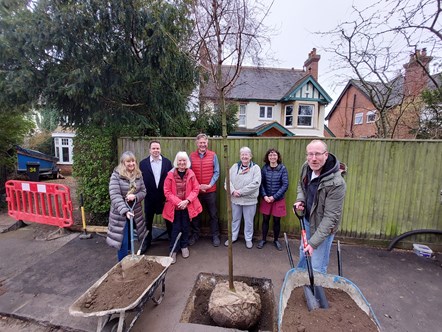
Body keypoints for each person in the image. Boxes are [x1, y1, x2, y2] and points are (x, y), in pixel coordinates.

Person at [293, 139, 346, 273]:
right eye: (310, 154)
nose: (313, 158)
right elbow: (301, 185)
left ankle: (316, 290)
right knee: (303, 251)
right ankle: (299, 281)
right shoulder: (306, 167)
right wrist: (301, 200)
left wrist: (313, 243)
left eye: (318, 154)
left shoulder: (337, 182)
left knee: (317, 264)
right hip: (306, 220)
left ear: (326, 155)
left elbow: (330, 217)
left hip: (323, 227)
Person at [106, 151, 147, 262]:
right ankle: (122, 264)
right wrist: (125, 211)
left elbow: (143, 191)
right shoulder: (116, 175)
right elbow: (114, 194)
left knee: (131, 239)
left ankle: (130, 257)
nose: (131, 164)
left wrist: (135, 196)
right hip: (120, 213)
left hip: (135, 211)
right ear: (123, 163)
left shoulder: (138, 175)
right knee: (122, 241)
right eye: (128, 161)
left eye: (133, 161)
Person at [163, 151, 202, 264]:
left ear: (187, 162)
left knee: (185, 227)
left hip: (187, 206)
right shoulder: (170, 175)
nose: (182, 162)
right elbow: (167, 191)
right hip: (174, 208)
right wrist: (178, 202)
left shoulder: (191, 174)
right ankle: (173, 250)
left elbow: (196, 189)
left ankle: (184, 246)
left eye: (184, 160)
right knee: (175, 229)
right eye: (179, 160)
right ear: (176, 161)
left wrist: (187, 201)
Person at [139, 140, 173, 254]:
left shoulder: (167, 163)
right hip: (149, 198)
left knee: (169, 221)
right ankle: (146, 242)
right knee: (148, 222)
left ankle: (172, 243)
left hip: (164, 198)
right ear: (149, 150)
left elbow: (171, 181)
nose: (156, 150)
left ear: (160, 149)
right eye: (153, 148)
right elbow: (140, 181)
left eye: (157, 148)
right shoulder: (143, 164)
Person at [225, 147, 261, 249]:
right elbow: (227, 181)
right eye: (242, 154)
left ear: (250, 156)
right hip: (235, 199)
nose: (244, 156)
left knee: (249, 221)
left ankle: (248, 239)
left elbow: (255, 184)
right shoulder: (234, 167)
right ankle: (233, 237)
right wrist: (232, 191)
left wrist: (240, 192)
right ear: (240, 156)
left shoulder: (255, 168)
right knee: (235, 220)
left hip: (249, 201)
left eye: (246, 154)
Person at [189, 133, 221, 247]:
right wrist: (197, 186)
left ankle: (215, 235)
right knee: (195, 214)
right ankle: (195, 234)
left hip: (210, 190)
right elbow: (189, 173)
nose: (202, 144)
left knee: (213, 214)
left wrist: (209, 184)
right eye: (200, 142)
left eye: (204, 142)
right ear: (197, 144)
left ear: (207, 143)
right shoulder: (191, 156)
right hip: (195, 191)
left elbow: (217, 172)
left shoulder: (213, 155)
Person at [257, 148, 289, 251]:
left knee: (276, 221)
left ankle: (276, 240)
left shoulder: (283, 169)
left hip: (278, 199)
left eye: (274, 155)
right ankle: (263, 239)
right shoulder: (264, 168)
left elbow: (285, 185)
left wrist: (274, 197)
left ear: (278, 157)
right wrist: (265, 196)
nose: (272, 157)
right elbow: (261, 183)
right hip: (266, 199)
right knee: (265, 220)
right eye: (270, 155)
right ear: (267, 157)